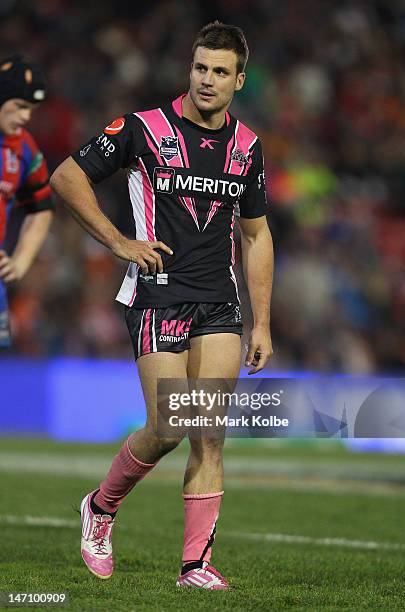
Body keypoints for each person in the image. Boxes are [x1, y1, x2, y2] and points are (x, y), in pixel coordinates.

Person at [50, 21, 273, 589]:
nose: (207, 79)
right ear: (190, 69)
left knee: (209, 431)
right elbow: (67, 176)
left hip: (219, 302)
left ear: (239, 80)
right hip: (158, 295)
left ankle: (194, 565)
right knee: (170, 426)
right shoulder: (143, 128)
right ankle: (100, 508)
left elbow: (256, 235)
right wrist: (120, 242)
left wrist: (263, 322)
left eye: (220, 72)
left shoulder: (247, 147)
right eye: (200, 67)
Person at [0, 54, 54, 348]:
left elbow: (41, 208)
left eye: (31, 109)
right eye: (20, 107)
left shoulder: (24, 148)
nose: (25, 117)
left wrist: (20, 263)